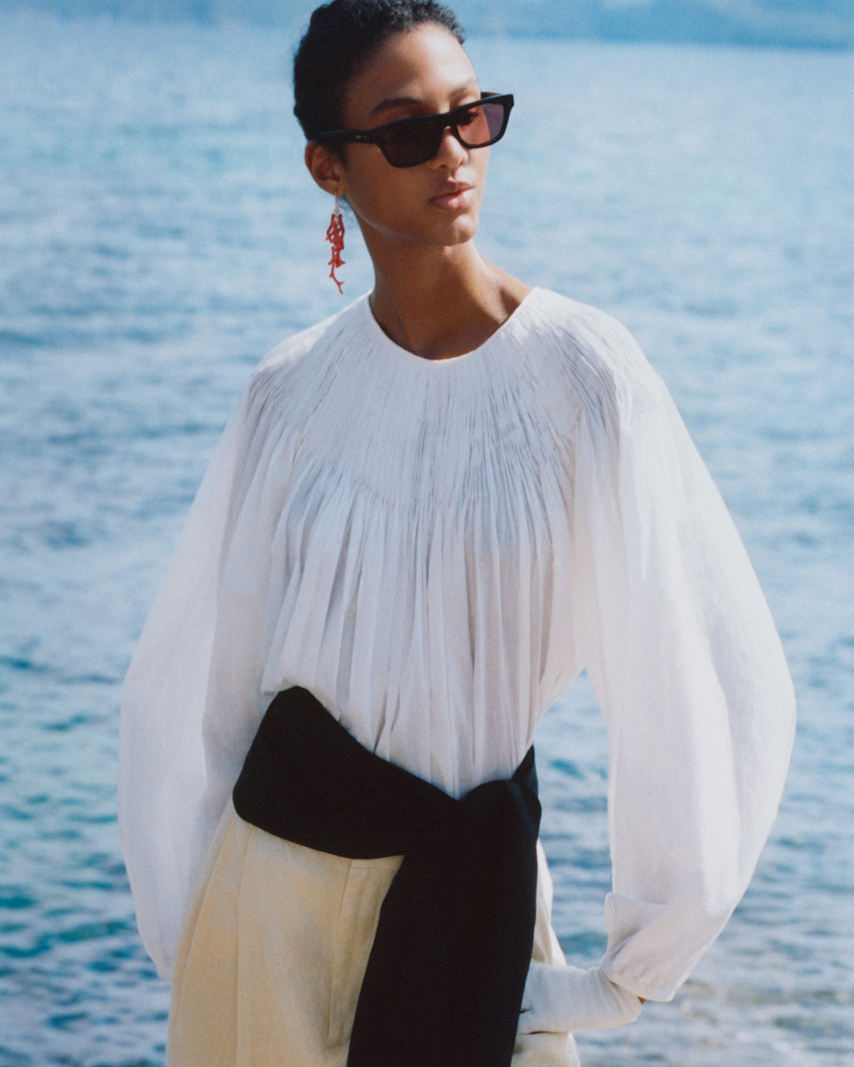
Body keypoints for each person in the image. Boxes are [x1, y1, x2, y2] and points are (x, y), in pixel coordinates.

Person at [119, 1, 796, 1063]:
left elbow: (702, 669)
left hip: (477, 915)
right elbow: (206, 695)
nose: (452, 154)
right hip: (268, 917)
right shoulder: (288, 394)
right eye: (406, 130)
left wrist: (622, 978)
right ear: (327, 167)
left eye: (470, 116)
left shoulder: (585, 377)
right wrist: (201, 932)